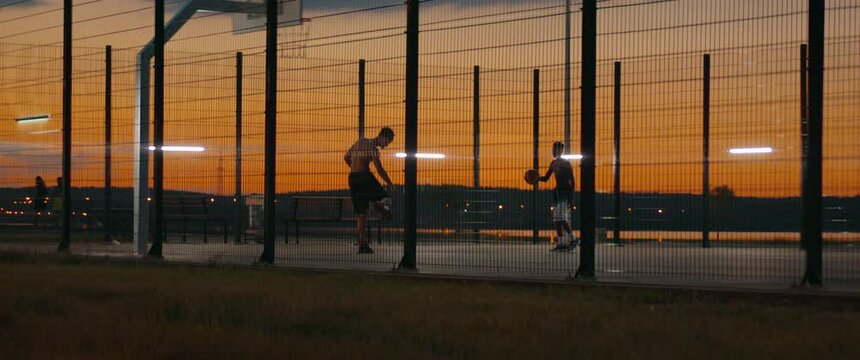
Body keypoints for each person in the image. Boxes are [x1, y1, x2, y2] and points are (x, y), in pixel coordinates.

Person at [344, 127, 395, 254]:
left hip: (353, 179)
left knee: (362, 214)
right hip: (365, 177)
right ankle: (379, 205)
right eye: (387, 143)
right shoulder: (373, 148)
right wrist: (389, 182)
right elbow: (379, 167)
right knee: (386, 197)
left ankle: (362, 245)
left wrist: (355, 167)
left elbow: (346, 157)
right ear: (382, 137)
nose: (385, 146)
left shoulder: (360, 142)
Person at [538, 142, 578, 252]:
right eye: (553, 149)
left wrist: (571, 198)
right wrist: (536, 178)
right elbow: (546, 178)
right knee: (556, 220)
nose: (553, 151)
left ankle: (572, 239)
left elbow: (572, 181)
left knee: (561, 217)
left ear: (560, 151)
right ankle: (561, 243)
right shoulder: (553, 163)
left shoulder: (566, 164)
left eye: (556, 149)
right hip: (557, 193)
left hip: (565, 192)